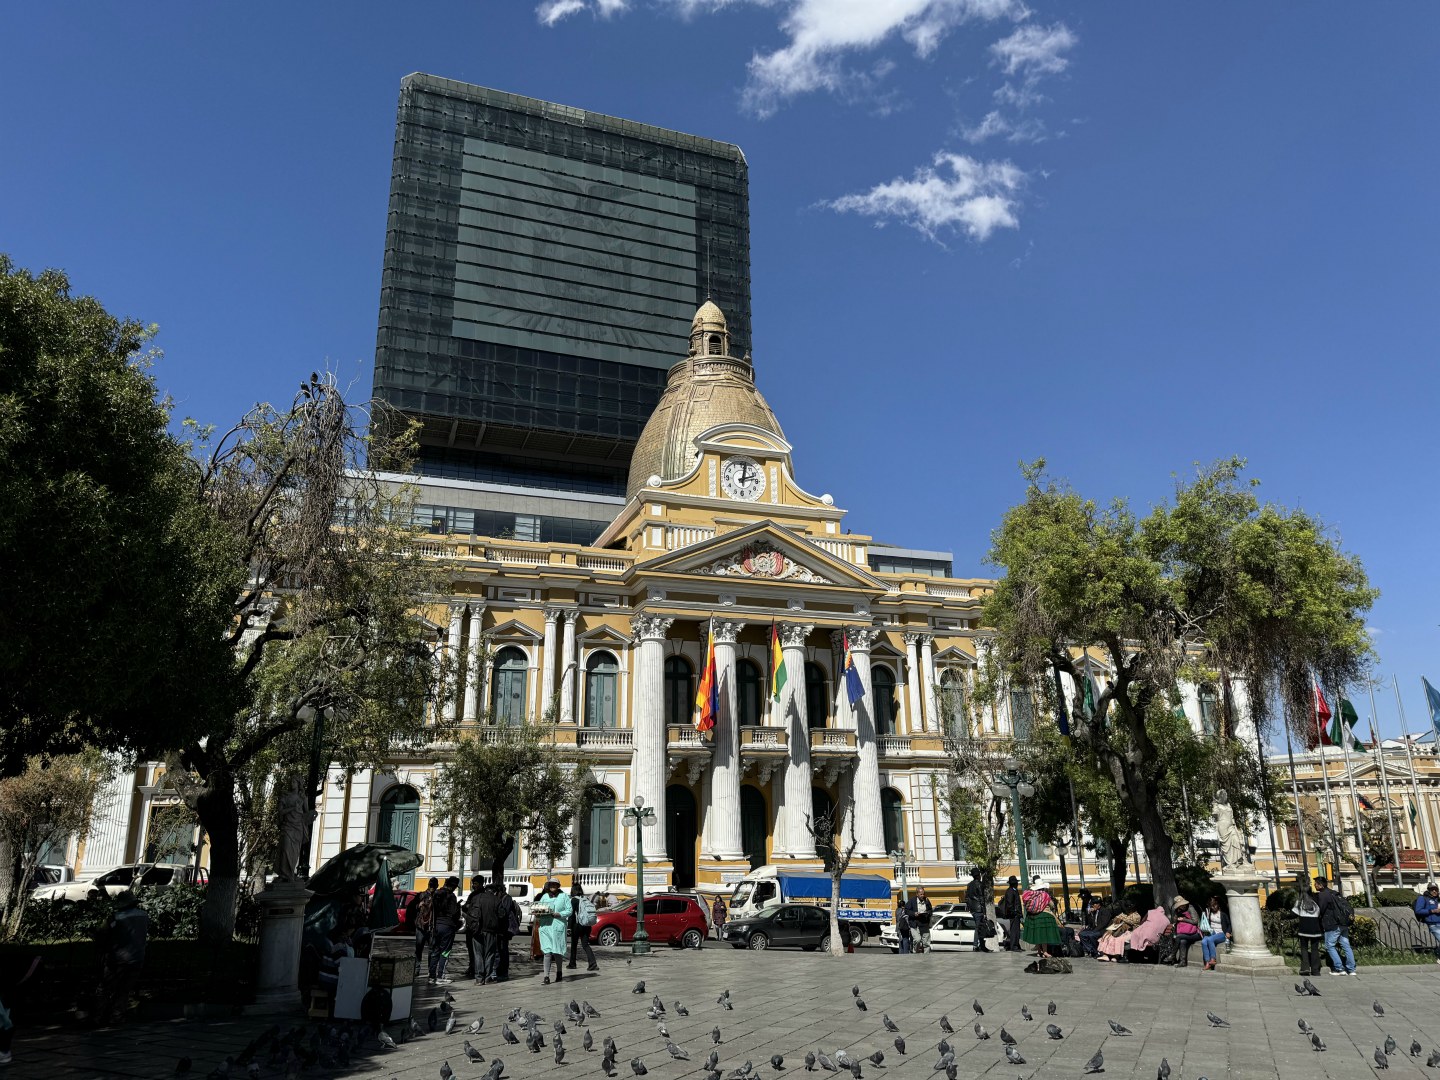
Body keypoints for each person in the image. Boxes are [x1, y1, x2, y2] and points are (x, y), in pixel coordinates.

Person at [97, 890, 149, 1025]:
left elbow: (102, 935)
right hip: (137, 958)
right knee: (124, 990)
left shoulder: (115, 918)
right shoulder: (144, 915)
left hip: (117, 958)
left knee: (106, 987)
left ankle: (100, 1015)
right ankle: (117, 1016)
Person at [1313, 876, 1356, 976]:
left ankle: (1339, 968)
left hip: (1332, 924)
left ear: (1320, 885)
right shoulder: (1334, 893)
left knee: (1329, 945)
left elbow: (1321, 910)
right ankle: (1351, 969)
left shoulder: (1323, 895)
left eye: (1315, 884)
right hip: (1344, 923)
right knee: (1346, 945)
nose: (1314, 885)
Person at [534, 878, 571, 984]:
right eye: (551, 884)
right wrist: (537, 913)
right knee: (547, 952)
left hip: (558, 927)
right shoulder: (544, 897)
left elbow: (569, 910)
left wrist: (559, 914)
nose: (553, 886)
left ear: (558, 886)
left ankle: (559, 972)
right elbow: (539, 908)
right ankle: (546, 976)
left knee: (557, 951)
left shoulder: (564, 896)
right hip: (546, 927)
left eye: (555, 884)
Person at [427, 876, 462, 986]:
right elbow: (453, 913)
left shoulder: (437, 893)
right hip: (448, 926)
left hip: (436, 925)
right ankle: (440, 976)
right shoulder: (451, 896)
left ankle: (432, 976)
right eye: (455, 887)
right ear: (452, 886)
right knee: (445, 951)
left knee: (435, 951)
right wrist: (458, 907)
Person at [1020, 877, 1061, 959]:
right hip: (1043, 916)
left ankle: (1039, 951)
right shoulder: (1044, 895)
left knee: (1037, 934)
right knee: (1043, 935)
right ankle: (1045, 952)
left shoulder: (1031, 895)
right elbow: (1052, 905)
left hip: (1032, 916)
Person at [1293, 880, 1324, 977]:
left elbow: (1293, 914)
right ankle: (1316, 970)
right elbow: (1320, 913)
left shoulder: (1300, 903)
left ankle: (1305, 968)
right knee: (1315, 949)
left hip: (1304, 928)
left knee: (1304, 948)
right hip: (1315, 928)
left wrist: (1281, 916)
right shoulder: (1315, 902)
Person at [567, 882, 600, 972]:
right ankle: (593, 963)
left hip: (577, 925)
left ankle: (572, 964)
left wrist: (569, 927)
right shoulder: (586, 899)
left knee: (574, 945)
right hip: (586, 925)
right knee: (585, 944)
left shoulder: (574, 900)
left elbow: (571, 915)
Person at [406, 878, 438, 963]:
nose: (432, 888)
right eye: (431, 885)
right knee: (419, 949)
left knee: (431, 950)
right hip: (421, 926)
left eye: (433, 886)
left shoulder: (437, 897)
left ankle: (431, 970)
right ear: (428, 885)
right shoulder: (421, 895)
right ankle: (417, 969)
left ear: (437, 886)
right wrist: (418, 906)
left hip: (432, 927)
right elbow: (411, 908)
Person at [461, 876, 487, 978]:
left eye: (475, 883)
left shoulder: (479, 895)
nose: (473, 885)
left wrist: (466, 908)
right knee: (471, 948)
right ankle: (472, 966)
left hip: (476, 925)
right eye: (473, 883)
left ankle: (477, 968)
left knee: (477, 949)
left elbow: (470, 908)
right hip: (472, 925)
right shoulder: (473, 894)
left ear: (480, 883)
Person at [1198, 896, 1231, 971]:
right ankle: (1207, 963)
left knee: (1210, 940)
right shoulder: (1209, 913)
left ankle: (1213, 959)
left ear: (1218, 904)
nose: (1213, 907)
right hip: (1212, 932)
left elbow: (1229, 924)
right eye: (1211, 906)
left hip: (1221, 933)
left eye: (1215, 905)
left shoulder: (1223, 914)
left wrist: (1228, 932)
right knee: (1203, 942)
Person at [964, 868, 993, 952]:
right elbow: (981, 898)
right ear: (978, 875)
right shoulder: (979, 884)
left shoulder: (969, 885)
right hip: (979, 909)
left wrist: (970, 908)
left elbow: (967, 898)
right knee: (978, 928)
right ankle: (975, 945)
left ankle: (982, 946)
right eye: (979, 874)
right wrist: (984, 912)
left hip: (973, 910)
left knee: (980, 927)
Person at [495, 885, 520, 982]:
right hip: (501, 929)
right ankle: (500, 970)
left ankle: (503, 972)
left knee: (503, 950)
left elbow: (503, 913)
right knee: (500, 950)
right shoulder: (503, 898)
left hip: (505, 929)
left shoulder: (507, 898)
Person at [1171, 896, 1202, 968]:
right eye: (1180, 905)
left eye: (1183, 904)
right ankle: (1182, 962)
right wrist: (1176, 917)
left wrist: (1184, 919)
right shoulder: (1178, 910)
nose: (1183, 906)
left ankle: (1172, 955)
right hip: (1186, 933)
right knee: (1182, 941)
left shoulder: (1190, 908)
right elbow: (1174, 921)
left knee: (1178, 937)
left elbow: (1195, 921)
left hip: (1196, 933)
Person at [1413, 882, 1440, 965]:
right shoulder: (1423, 898)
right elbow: (1418, 911)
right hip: (1433, 924)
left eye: (1436, 889)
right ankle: (1438, 956)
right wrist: (1432, 911)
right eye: (1432, 889)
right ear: (1428, 890)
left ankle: (1436, 952)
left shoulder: (1438, 899)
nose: (1434, 891)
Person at [996, 876, 1023, 952]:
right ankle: (1014, 946)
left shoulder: (1014, 890)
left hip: (1016, 914)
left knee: (1017, 930)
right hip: (1013, 914)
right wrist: (1014, 912)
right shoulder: (1010, 891)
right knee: (1014, 930)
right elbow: (1010, 904)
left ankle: (1016, 945)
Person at [905, 888, 935, 954]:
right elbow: (906, 910)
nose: (922, 895)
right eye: (921, 894)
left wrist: (928, 913)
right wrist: (914, 913)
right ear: (917, 894)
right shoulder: (912, 901)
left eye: (923, 894)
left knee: (926, 942)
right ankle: (915, 952)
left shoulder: (926, 900)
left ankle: (926, 956)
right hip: (915, 924)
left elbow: (930, 910)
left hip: (924, 924)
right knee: (917, 939)